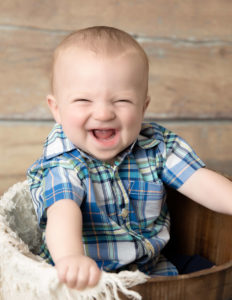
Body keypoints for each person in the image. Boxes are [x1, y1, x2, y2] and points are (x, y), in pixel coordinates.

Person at [27, 26, 232, 291]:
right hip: (91, 278)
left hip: (152, 267)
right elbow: (61, 213)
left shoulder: (155, 146)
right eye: (83, 100)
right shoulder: (63, 163)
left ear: (143, 106)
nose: (103, 113)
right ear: (57, 109)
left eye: (122, 100)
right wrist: (70, 258)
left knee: (206, 274)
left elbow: (202, 182)